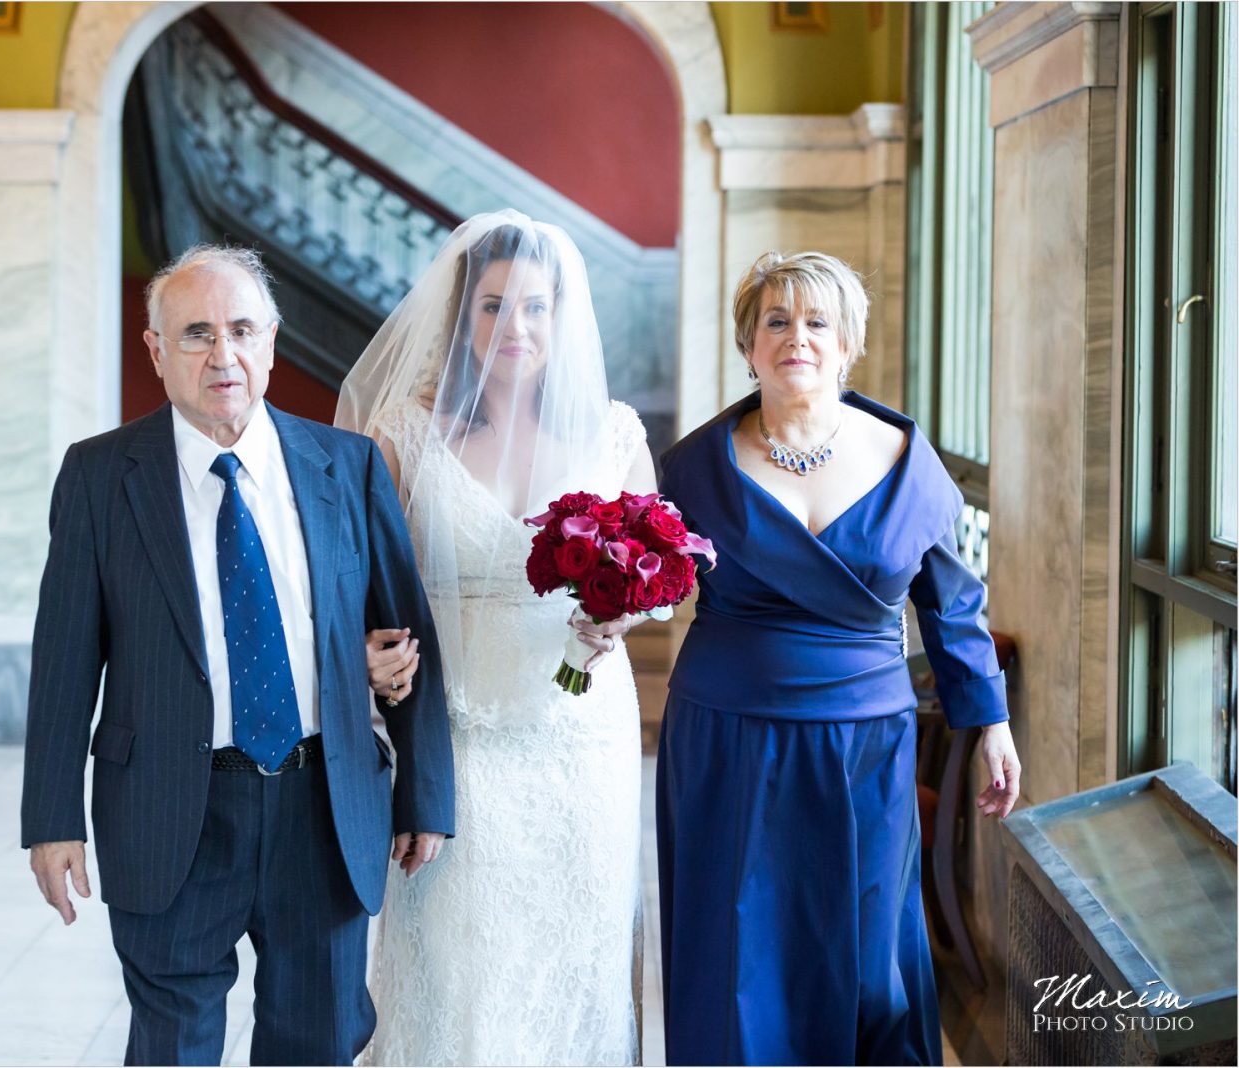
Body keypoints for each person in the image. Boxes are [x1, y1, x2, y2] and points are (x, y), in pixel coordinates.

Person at [20, 245, 455, 1066]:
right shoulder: (99, 476)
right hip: (167, 809)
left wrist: (424, 791)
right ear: (156, 352)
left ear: (271, 343)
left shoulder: (347, 466)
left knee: (318, 1041)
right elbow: (64, 661)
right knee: (174, 1046)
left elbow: (405, 633)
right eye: (195, 334)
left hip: (321, 806)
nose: (223, 355)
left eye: (242, 330)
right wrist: (50, 818)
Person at [656, 250, 1022, 1065]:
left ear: (849, 341)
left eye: (818, 321)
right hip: (727, 738)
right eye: (777, 321)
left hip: (865, 743)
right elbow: (654, 586)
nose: (798, 339)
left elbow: (953, 603)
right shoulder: (690, 468)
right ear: (748, 343)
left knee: (869, 960)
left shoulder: (905, 459)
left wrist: (989, 718)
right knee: (737, 953)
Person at [336, 211, 656, 1066]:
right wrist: (374, 663)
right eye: (491, 306)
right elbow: (354, 579)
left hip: (579, 729)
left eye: (535, 307)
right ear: (461, 316)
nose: (514, 327)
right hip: (457, 728)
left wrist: (623, 610)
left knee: (573, 950)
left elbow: (661, 567)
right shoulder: (403, 433)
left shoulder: (612, 432)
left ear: (562, 317)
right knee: (457, 950)